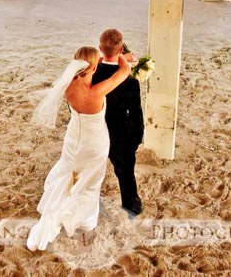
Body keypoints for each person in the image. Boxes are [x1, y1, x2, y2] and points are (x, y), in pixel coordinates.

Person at [27, 46, 131, 252]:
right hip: (95, 144)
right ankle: (86, 224)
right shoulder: (97, 91)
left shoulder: (68, 85)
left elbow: (89, 69)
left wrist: (103, 60)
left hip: (74, 140)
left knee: (69, 170)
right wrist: (120, 57)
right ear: (92, 66)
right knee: (91, 183)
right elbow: (125, 71)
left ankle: (65, 205)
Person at [93, 29, 144, 216]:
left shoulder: (90, 74)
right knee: (125, 172)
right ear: (121, 49)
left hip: (95, 130)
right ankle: (131, 205)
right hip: (120, 134)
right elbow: (136, 115)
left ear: (100, 49)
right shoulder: (130, 82)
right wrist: (136, 139)